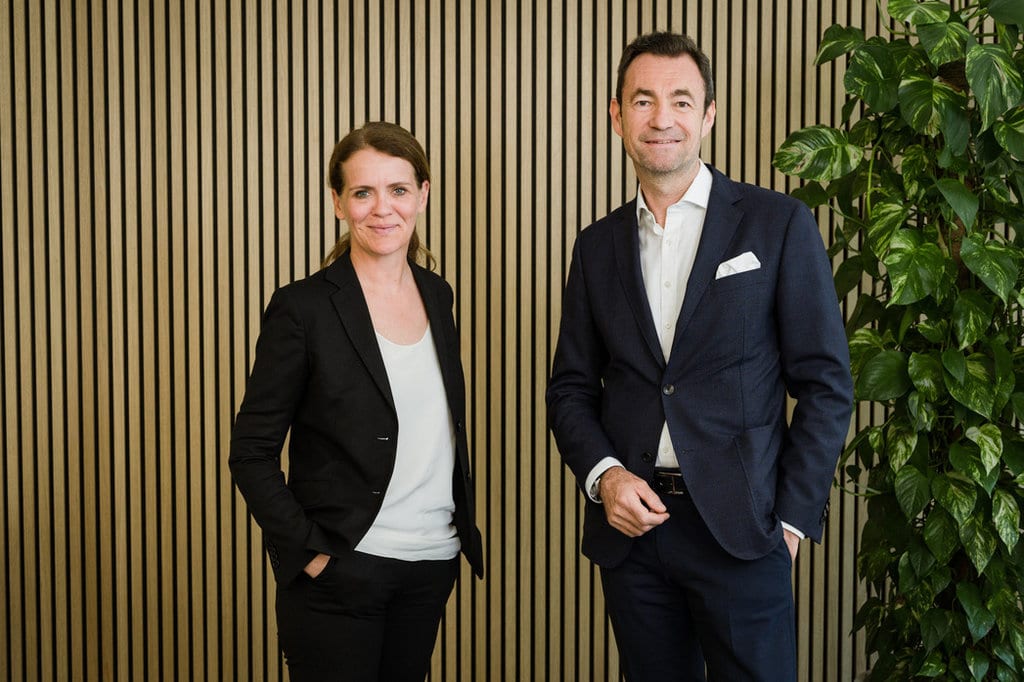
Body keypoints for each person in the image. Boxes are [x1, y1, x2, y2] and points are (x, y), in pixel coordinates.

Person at [547, 32, 853, 681]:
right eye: (643, 101)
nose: (662, 118)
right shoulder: (595, 247)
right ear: (617, 116)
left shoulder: (778, 223)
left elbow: (826, 384)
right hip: (633, 536)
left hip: (745, 532)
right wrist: (605, 477)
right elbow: (570, 388)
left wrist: (791, 522)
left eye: (681, 101)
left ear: (709, 115)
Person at [229, 121, 484, 682]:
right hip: (341, 569)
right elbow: (250, 451)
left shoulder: (438, 296)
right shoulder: (303, 308)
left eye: (398, 189)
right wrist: (309, 552)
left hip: (430, 565)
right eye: (363, 192)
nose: (382, 208)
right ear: (338, 203)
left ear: (423, 194)